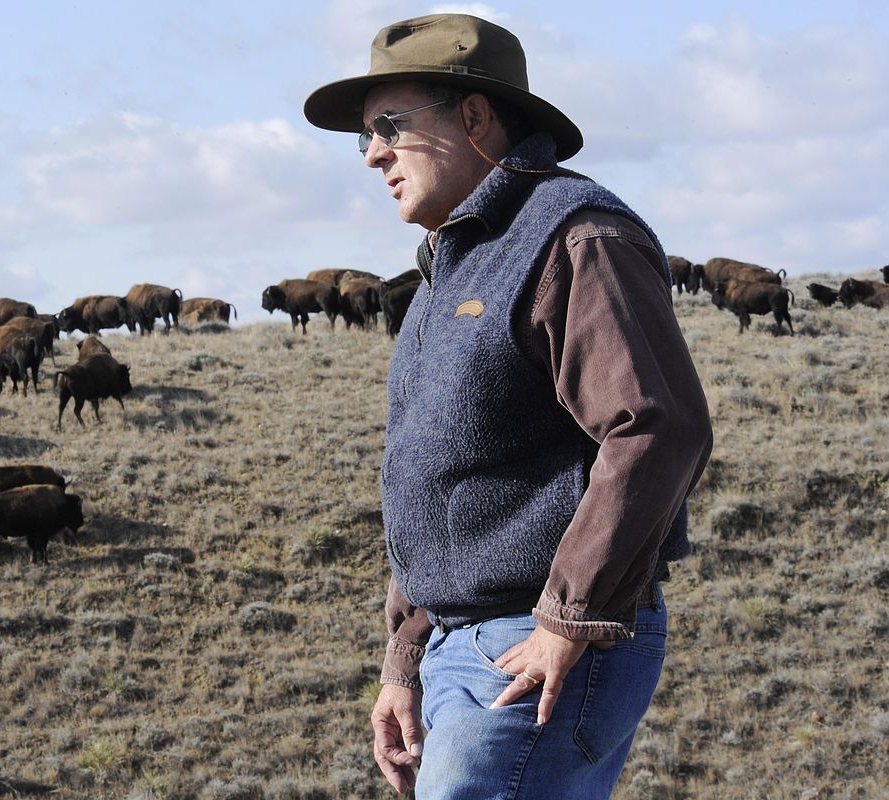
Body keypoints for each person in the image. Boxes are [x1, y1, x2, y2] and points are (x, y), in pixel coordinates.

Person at [303, 14, 713, 799]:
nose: (374, 154)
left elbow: (658, 425)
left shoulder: (576, 237)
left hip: (538, 638)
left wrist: (567, 618)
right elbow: (441, 489)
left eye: (389, 127)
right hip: (461, 646)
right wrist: (403, 663)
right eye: (363, 138)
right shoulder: (448, 271)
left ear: (475, 116)